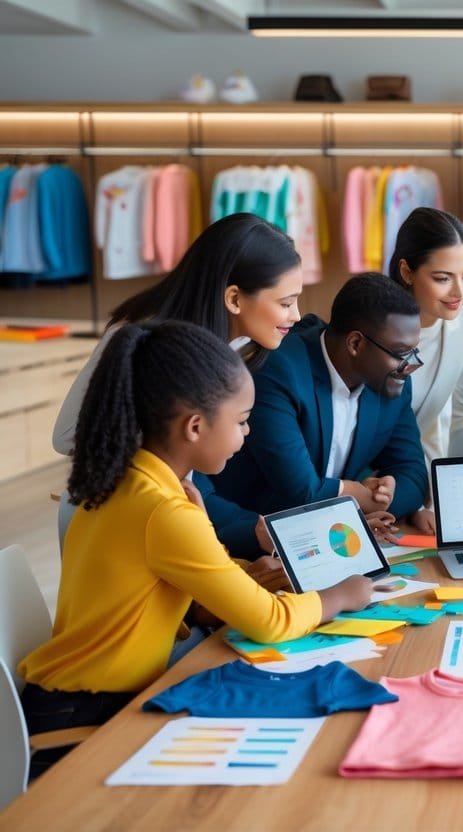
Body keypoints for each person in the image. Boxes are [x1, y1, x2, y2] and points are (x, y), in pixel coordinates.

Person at [19, 321, 371, 777]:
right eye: (242, 421)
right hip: (80, 722)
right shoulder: (162, 510)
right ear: (195, 426)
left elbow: (187, 587)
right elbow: (268, 622)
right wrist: (340, 596)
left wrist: (209, 533)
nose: (246, 435)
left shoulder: (133, 481)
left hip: (68, 700)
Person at [52, 212, 305, 565]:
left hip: (165, 515)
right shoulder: (142, 337)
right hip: (111, 516)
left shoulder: (233, 349)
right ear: (233, 299)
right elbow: (66, 437)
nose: (296, 315)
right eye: (285, 303)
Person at [207, 274, 428, 554]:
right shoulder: (279, 371)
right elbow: (301, 492)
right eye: (401, 353)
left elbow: (414, 476)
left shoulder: (390, 381)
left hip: (327, 542)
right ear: (356, 344)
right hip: (247, 542)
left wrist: (385, 494)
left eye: (413, 352)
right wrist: (355, 497)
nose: (411, 366)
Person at [388, 207, 463, 534]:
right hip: (367, 481)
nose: (459, 292)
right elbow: (357, 432)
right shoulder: (374, 325)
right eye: (443, 278)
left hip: (416, 479)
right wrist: (413, 502)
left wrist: (451, 497)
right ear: (407, 271)